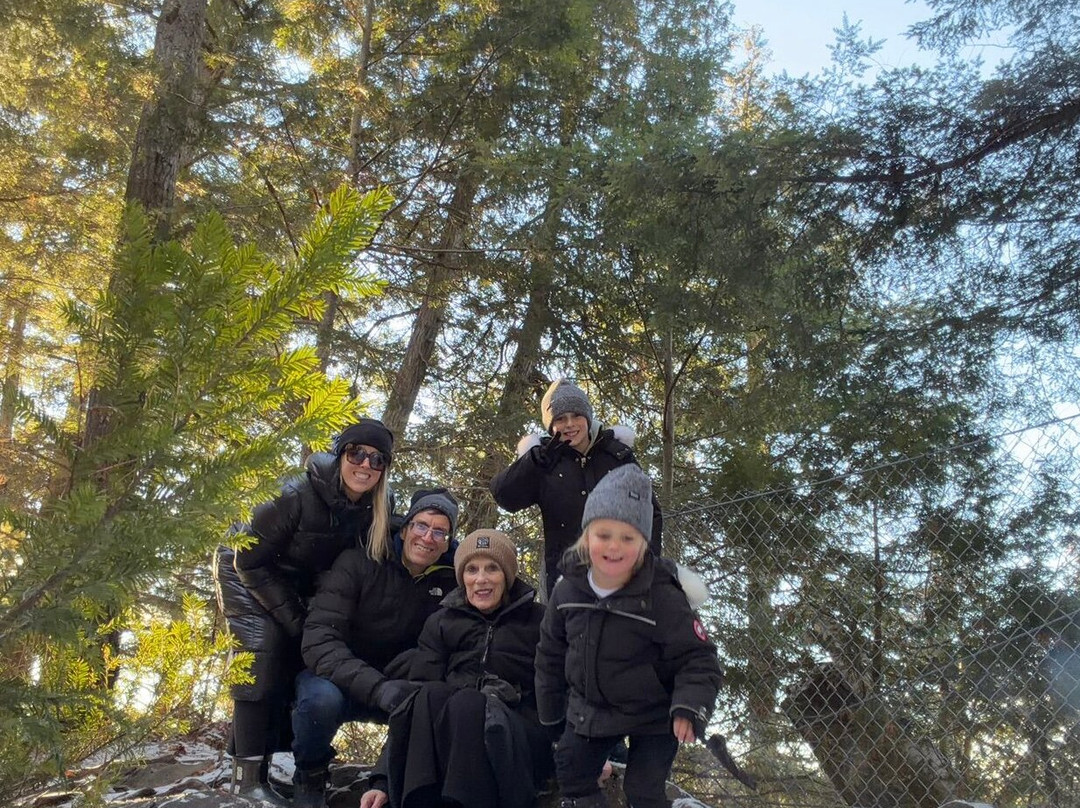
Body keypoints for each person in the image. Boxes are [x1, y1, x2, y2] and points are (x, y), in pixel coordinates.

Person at [213, 417, 395, 805]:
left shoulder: (378, 507)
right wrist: (296, 618)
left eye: (377, 460)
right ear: (340, 453)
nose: (365, 465)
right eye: (357, 453)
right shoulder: (295, 493)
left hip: (297, 581)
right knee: (262, 650)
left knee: (301, 659)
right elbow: (248, 558)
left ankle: (269, 766)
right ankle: (245, 784)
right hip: (245, 566)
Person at [534, 465, 722, 808]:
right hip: (590, 709)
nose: (614, 547)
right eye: (604, 535)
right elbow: (549, 656)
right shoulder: (567, 592)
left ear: (643, 543)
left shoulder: (662, 596)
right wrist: (552, 717)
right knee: (572, 774)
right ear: (587, 537)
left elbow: (698, 658)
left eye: (628, 538)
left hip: (653, 713)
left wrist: (688, 707)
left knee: (644, 791)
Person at [359, 529, 552, 808]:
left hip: (516, 736)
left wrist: (584, 756)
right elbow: (415, 704)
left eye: (492, 569)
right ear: (462, 577)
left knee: (467, 702)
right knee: (430, 695)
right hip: (454, 739)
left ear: (507, 575)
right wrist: (383, 780)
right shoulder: (442, 622)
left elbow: (562, 691)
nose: (481, 579)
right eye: (472, 570)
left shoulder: (539, 622)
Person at [295, 487, 461, 807]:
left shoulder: (453, 584)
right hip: (336, 676)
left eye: (440, 531)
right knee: (319, 702)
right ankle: (310, 775)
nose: (428, 538)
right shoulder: (361, 559)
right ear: (407, 526)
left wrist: (413, 666)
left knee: (436, 703)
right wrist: (378, 687)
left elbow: (444, 651)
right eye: (422, 526)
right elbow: (319, 639)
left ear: (448, 541)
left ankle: (394, 784)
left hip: (398, 684)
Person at [490, 378, 663, 597]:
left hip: (621, 571)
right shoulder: (544, 462)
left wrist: (647, 562)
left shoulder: (617, 454)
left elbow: (650, 511)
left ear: (588, 418)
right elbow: (504, 497)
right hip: (566, 577)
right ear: (551, 425)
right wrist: (531, 463)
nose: (570, 424)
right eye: (561, 418)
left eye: (576, 416)